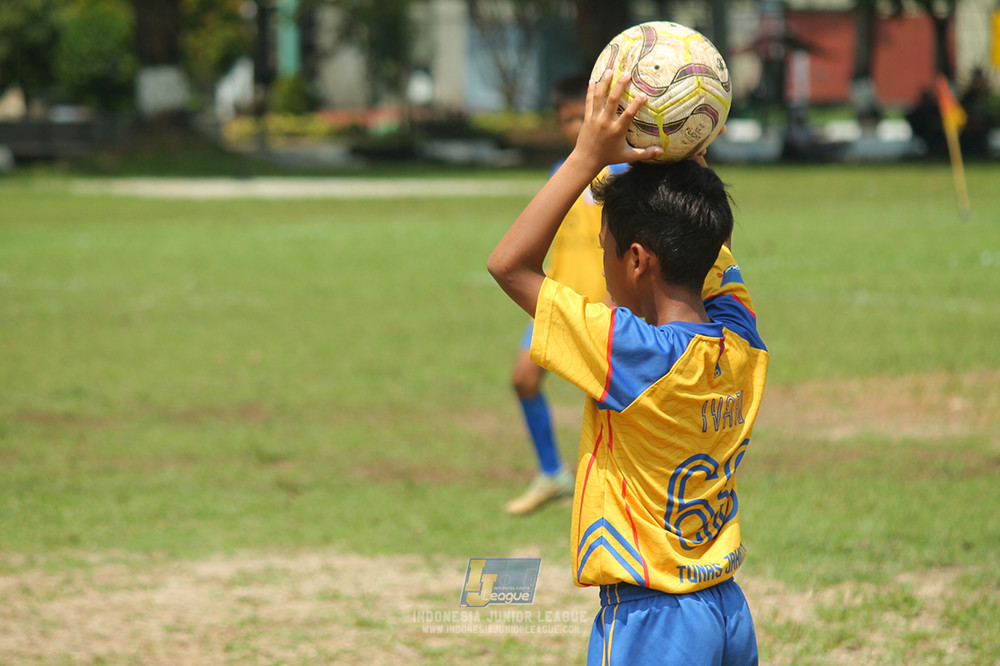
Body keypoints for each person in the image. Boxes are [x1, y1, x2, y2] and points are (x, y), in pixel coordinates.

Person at [488, 71, 769, 664]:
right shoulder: (742, 342)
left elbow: (509, 264)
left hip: (653, 617)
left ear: (636, 260)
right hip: (725, 608)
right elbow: (707, 240)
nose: (602, 262)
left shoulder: (632, 354)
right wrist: (684, 150)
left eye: (604, 248)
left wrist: (584, 156)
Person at [505, 72, 626, 515]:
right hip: (555, 295)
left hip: (601, 305)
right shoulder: (563, 171)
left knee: (606, 403)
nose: (575, 127)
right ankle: (552, 472)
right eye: (567, 119)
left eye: (582, 117)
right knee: (524, 379)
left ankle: (612, 490)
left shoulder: (625, 172)